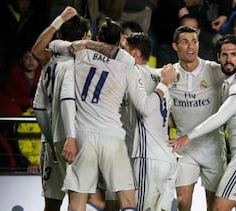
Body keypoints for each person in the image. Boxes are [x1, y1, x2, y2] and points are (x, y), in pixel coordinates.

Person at [61, 17, 178, 211]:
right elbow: (146, 106)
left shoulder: (81, 55)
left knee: (78, 201)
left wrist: (85, 43)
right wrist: (164, 83)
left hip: (84, 135)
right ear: (120, 42)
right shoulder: (127, 65)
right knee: (128, 202)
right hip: (114, 138)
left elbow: (56, 47)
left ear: (97, 37)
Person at [169, 34, 236, 211]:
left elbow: (221, 116)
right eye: (224, 55)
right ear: (218, 58)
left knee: (218, 208)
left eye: (233, 54)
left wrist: (188, 136)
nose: (229, 59)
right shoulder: (227, 83)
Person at [31, 6, 94, 211]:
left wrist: (58, 20)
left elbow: (36, 50)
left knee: (51, 203)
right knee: (77, 200)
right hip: (72, 138)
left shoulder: (51, 62)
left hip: (51, 139)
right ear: (85, 36)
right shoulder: (78, 63)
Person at [123, 32, 178, 211]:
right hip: (166, 158)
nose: (120, 53)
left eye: (124, 49)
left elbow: (146, 108)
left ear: (135, 53)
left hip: (149, 158)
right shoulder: (158, 75)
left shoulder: (135, 72)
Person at [4, 48, 41, 113]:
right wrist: (29, 101)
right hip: (19, 110)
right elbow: (10, 98)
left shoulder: (43, 72)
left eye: (35, 58)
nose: (31, 61)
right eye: (27, 57)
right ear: (21, 60)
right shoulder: (14, 74)